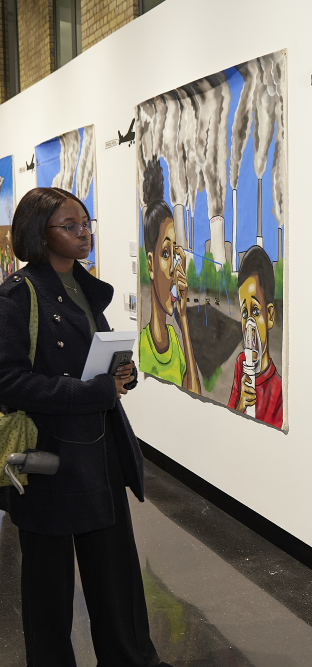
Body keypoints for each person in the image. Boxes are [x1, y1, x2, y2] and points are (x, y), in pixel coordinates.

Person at [0, 187, 170, 666]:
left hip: (100, 451)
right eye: (70, 226)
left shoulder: (83, 285)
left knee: (115, 576)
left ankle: (132, 658)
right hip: (48, 458)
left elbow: (88, 358)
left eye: (86, 224)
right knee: (48, 589)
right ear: (39, 232)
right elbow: (8, 381)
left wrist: (121, 374)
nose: (83, 233)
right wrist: (89, 392)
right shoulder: (17, 296)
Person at [137, 158, 200, 393]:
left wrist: (183, 318)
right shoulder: (142, 346)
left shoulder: (175, 339)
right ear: (151, 265)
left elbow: (195, 395)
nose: (175, 268)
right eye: (166, 253)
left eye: (175, 253)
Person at [227, 245, 283, 428]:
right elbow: (229, 413)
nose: (249, 324)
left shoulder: (279, 391)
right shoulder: (241, 364)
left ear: (270, 316)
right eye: (245, 314)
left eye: (256, 311)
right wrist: (241, 403)